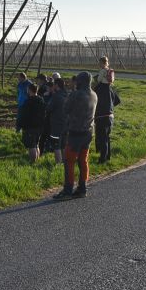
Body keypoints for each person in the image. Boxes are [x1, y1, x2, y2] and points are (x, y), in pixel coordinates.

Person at [54, 71, 97, 200]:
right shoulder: (94, 95)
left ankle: (67, 191)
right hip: (89, 132)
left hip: (75, 132)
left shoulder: (76, 94)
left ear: (80, 81)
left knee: (69, 161)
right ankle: (82, 188)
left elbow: (66, 108)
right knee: (83, 160)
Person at [94, 68, 120, 164]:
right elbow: (117, 100)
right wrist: (110, 107)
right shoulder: (110, 88)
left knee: (102, 138)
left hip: (101, 116)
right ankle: (108, 156)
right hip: (110, 116)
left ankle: (102, 159)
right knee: (107, 138)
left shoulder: (98, 88)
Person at [16, 81, 46, 164]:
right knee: (37, 144)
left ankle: (33, 162)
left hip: (31, 126)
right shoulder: (41, 100)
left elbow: (24, 115)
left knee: (31, 146)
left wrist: (20, 125)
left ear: (30, 90)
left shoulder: (29, 102)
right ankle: (37, 160)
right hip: (40, 126)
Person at [44, 76, 69, 165]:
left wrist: (46, 99)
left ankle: (58, 164)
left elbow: (49, 108)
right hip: (66, 123)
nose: (52, 85)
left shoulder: (56, 96)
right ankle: (65, 162)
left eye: (54, 84)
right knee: (63, 144)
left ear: (57, 85)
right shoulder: (67, 95)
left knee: (56, 145)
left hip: (56, 124)